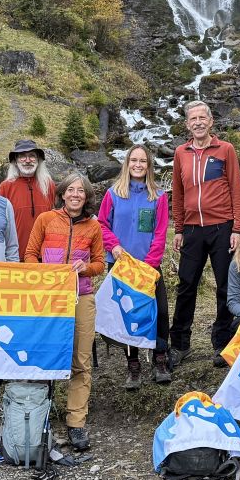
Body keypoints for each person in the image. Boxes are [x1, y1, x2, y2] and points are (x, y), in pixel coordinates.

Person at [25, 173, 106, 452]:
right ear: (62, 194)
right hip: (49, 299)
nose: (75, 195)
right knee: (45, 356)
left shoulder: (93, 227)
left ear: (86, 197)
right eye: (70, 190)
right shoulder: (45, 220)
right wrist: (44, 277)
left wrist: (86, 268)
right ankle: (40, 415)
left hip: (82, 297)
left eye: (80, 191)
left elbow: (99, 264)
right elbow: (30, 254)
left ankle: (76, 422)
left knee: (81, 360)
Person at [169, 100, 240, 369]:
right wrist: (178, 228)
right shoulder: (181, 152)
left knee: (225, 286)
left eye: (203, 118)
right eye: (193, 119)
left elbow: (236, 189)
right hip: (192, 229)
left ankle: (222, 343)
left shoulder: (225, 149)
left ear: (211, 121)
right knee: (186, 284)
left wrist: (238, 228)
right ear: (188, 124)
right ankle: (179, 344)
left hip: (222, 227)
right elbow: (177, 194)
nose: (198, 122)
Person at [97, 144, 172, 390]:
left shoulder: (158, 196)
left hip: (148, 268)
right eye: (134, 160)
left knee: (159, 312)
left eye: (143, 161)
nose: (138, 165)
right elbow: (102, 225)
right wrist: (115, 247)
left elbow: (160, 232)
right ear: (127, 163)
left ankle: (160, 359)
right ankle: (133, 366)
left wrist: (149, 265)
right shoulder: (113, 194)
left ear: (149, 166)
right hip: (121, 267)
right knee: (127, 317)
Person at [0, 139, 55, 263]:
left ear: (38, 160)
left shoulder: (48, 185)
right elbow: (0, 223)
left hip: (45, 256)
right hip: (15, 256)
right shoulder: (6, 187)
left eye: (32, 156)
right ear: (15, 161)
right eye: (22, 156)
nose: (28, 160)